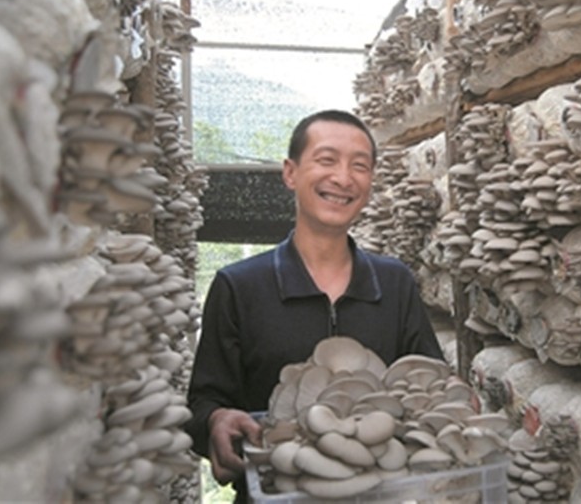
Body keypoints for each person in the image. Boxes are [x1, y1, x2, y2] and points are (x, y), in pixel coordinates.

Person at [184, 109, 443, 500]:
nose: (343, 178)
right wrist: (215, 420)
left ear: (371, 181)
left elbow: (430, 381)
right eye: (326, 160)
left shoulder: (395, 284)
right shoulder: (238, 287)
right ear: (290, 173)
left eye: (359, 166)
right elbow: (203, 403)